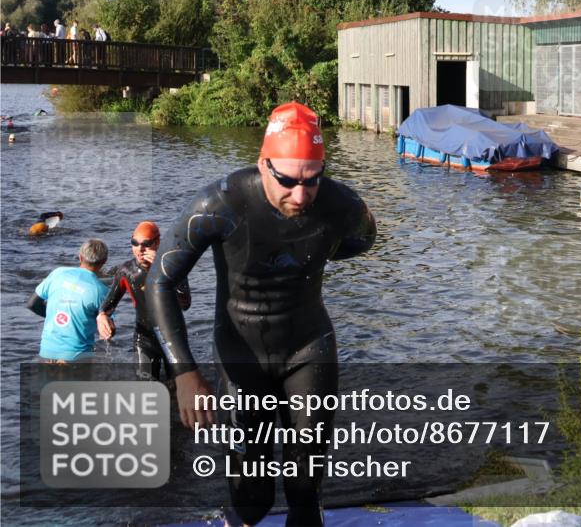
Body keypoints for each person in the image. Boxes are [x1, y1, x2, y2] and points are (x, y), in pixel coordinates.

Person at [147, 101, 377, 526]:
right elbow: (159, 282)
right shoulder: (220, 203)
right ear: (263, 163)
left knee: (305, 488)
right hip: (240, 356)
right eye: (287, 180)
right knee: (251, 496)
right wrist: (184, 373)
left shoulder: (341, 204)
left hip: (308, 348)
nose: (300, 195)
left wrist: (313, 249)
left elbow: (363, 240)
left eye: (312, 179)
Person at [98, 221, 192, 380]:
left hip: (173, 338)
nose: (140, 249)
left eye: (146, 244)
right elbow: (108, 306)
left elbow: (185, 304)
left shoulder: (172, 266)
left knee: (178, 386)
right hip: (144, 338)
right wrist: (102, 316)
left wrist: (162, 269)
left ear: (157, 242)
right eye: (134, 243)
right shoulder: (127, 271)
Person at [27, 239, 113, 362]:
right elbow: (108, 330)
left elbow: (32, 304)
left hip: (46, 353)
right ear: (104, 261)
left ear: (80, 257)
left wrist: (59, 317)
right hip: (78, 357)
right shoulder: (102, 291)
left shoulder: (57, 273)